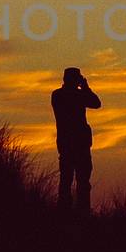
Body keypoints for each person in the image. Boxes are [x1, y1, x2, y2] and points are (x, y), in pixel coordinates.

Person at [50, 67, 101, 213]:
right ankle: (80, 212)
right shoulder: (75, 96)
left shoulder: (57, 95)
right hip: (77, 144)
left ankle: (66, 212)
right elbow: (96, 103)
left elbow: (96, 104)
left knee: (68, 180)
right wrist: (86, 88)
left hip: (69, 143)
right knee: (79, 182)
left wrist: (83, 89)